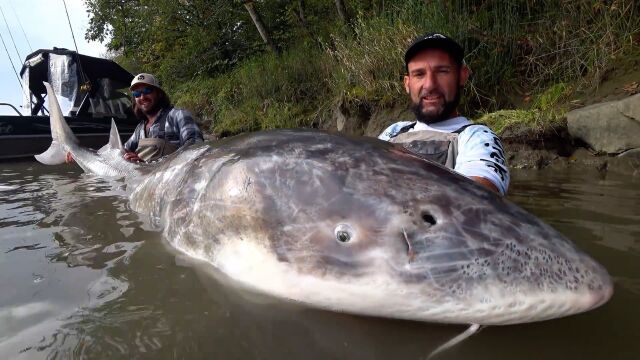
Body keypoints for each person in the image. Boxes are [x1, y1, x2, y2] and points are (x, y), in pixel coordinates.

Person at [378, 33, 509, 195]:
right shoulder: (394, 131)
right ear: (407, 83)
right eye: (419, 74)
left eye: (442, 71)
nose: (430, 84)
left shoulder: (478, 137)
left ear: (462, 76)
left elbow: (479, 199)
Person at [123, 73, 204, 162]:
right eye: (137, 93)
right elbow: (123, 150)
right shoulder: (139, 129)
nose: (142, 97)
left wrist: (149, 164)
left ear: (159, 93)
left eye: (147, 90)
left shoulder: (178, 115)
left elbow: (196, 148)